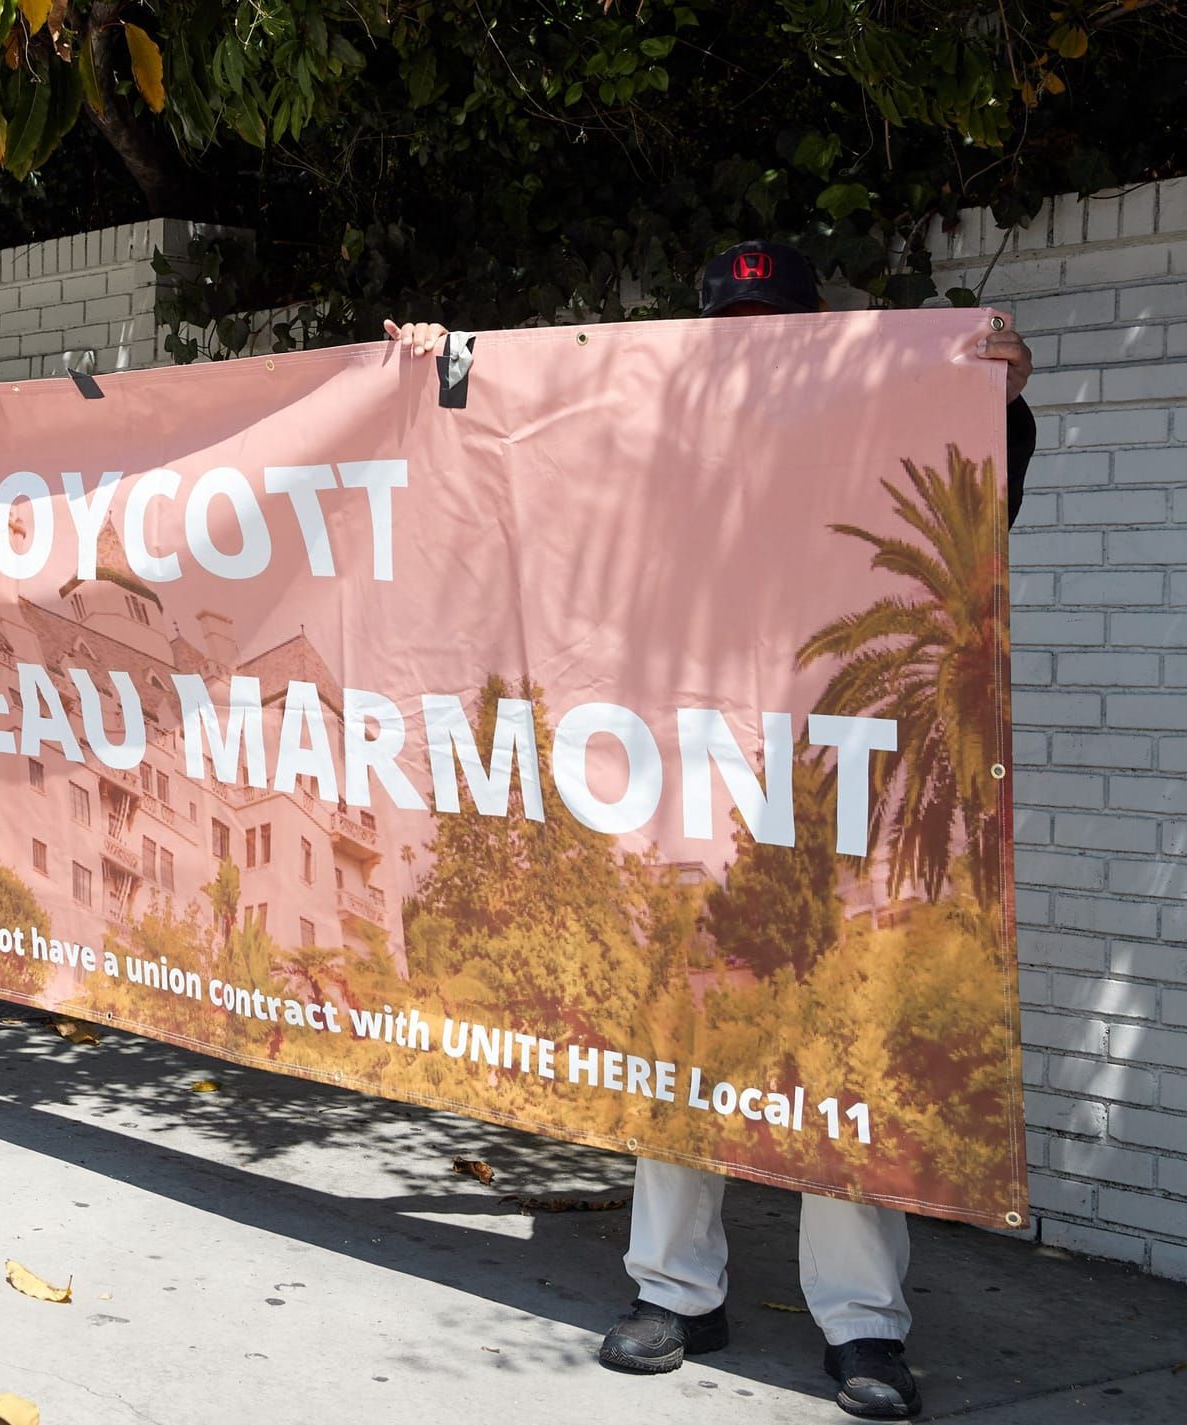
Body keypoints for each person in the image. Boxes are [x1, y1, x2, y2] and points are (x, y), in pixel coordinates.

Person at [387, 240, 1034, 1422]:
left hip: (828, 784)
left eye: (773, 324)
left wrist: (997, 399)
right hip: (668, 778)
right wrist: (439, 386)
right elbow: (502, 487)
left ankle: (861, 1328)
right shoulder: (647, 438)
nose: (752, 347)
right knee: (672, 1037)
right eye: (732, 328)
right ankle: (675, 1294)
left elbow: (972, 494)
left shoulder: (856, 432)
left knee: (841, 1053)